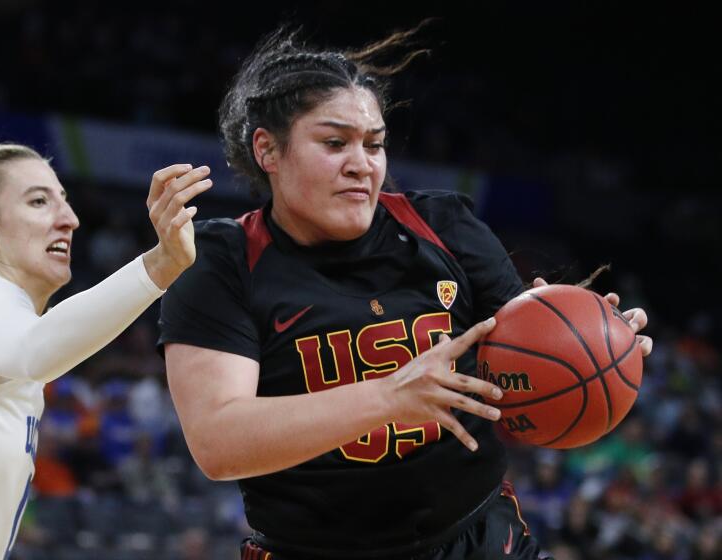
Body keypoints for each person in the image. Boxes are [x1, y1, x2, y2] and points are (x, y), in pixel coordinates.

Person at [157, 26, 653, 560]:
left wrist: (582, 344)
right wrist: (389, 396)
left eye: (374, 144)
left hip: (478, 539)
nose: (361, 163)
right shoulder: (221, 260)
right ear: (267, 150)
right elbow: (218, 444)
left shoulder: (443, 224)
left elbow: (519, 380)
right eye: (334, 143)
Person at [0, 142, 211, 559]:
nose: (70, 220)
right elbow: (36, 350)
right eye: (39, 201)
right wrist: (161, 263)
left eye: (65, 202)